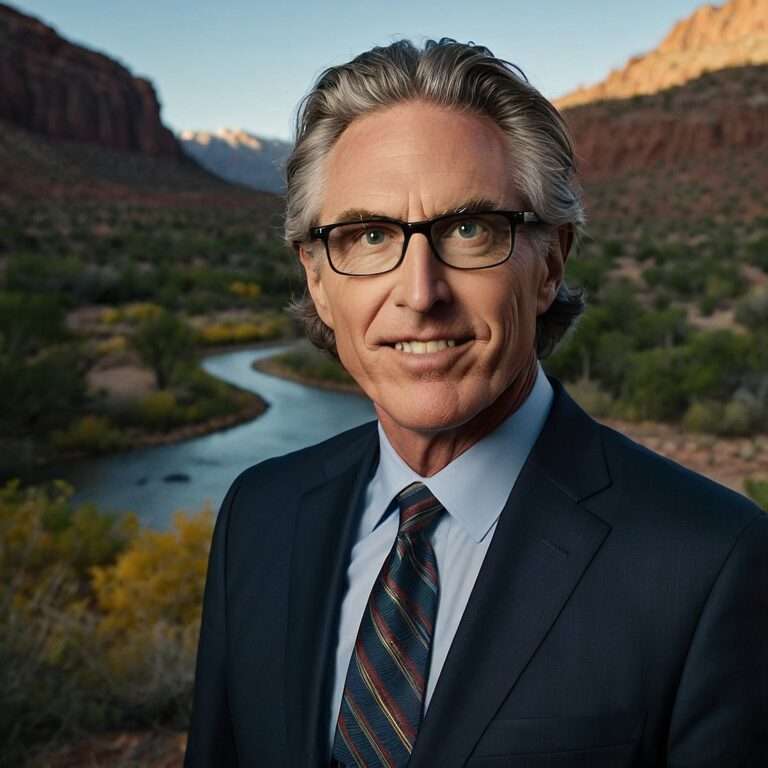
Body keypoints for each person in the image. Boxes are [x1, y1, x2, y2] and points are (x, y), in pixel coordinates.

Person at [184, 39, 768, 767]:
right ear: (318, 281)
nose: (420, 293)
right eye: (368, 235)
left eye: (469, 229)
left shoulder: (711, 562)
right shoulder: (259, 515)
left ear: (549, 264)